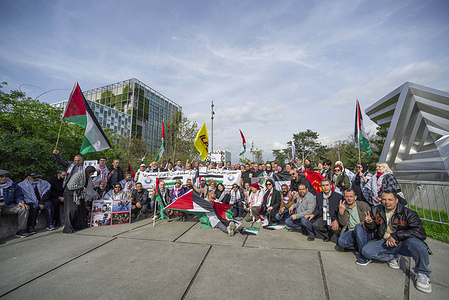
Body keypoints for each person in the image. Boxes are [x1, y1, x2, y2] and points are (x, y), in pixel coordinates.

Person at [362, 190, 432, 294]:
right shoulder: (376, 210)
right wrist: (369, 223)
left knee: (418, 244)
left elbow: (420, 233)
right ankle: (393, 256)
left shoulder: (408, 213)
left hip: (403, 242)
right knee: (366, 251)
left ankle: (422, 273)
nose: (386, 202)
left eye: (390, 199)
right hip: (384, 242)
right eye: (384, 199)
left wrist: (396, 235)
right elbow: (373, 229)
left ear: (396, 200)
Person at [337, 188, 372, 265]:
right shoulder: (343, 206)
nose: (349, 198)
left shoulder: (363, 205)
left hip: (364, 230)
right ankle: (360, 246)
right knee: (341, 242)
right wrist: (341, 212)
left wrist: (366, 222)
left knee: (358, 227)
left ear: (355, 197)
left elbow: (371, 219)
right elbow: (343, 223)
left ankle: (364, 256)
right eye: (346, 196)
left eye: (351, 196)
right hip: (351, 232)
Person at [63, 166, 97, 233]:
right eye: (92, 173)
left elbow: (89, 187)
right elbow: (71, 186)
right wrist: (81, 189)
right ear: (88, 172)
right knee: (72, 210)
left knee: (80, 209)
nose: (92, 175)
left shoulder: (87, 177)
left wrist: (95, 194)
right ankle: (68, 228)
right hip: (71, 194)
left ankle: (80, 226)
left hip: (80, 194)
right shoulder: (78, 175)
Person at [0, 170, 29, 238]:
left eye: (6, 176)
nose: (4, 178)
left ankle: (21, 230)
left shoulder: (12, 184)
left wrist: (20, 202)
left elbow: (18, 195)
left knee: (24, 208)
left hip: (8, 206)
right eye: (1, 176)